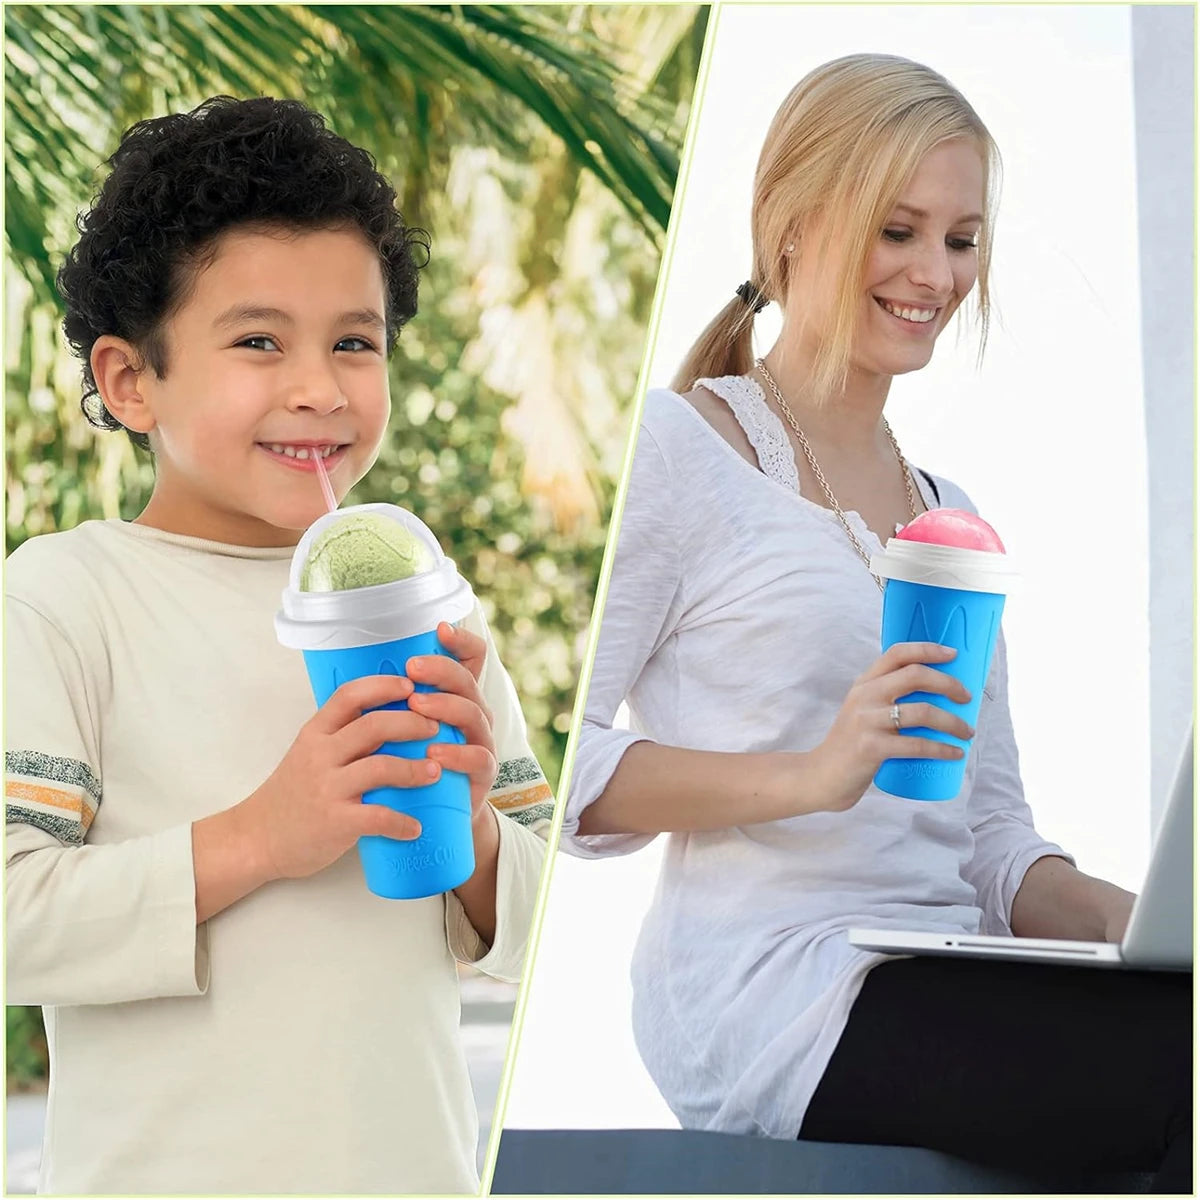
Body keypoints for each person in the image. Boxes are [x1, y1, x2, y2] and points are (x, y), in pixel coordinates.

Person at [561, 54, 1190, 1190]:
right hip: (773, 989)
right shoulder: (682, 454)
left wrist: (1158, 934)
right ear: (794, 225)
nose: (934, 273)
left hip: (938, 962)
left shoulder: (955, 524)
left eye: (959, 239)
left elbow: (995, 848)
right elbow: (559, 764)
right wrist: (811, 774)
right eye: (897, 230)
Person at [5, 96, 553, 1195]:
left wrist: (483, 839)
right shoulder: (68, 598)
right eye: (259, 341)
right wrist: (264, 835)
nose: (320, 388)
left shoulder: (428, 605)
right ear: (130, 381)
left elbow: (550, 931)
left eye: (356, 342)